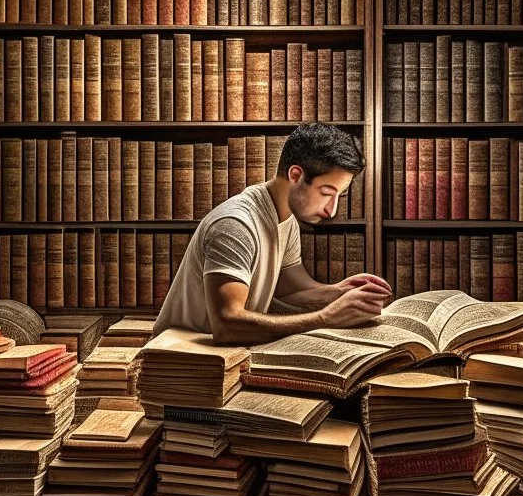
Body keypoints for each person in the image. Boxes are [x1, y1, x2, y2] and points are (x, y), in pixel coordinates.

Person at [152, 123, 391, 343]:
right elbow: (226, 324)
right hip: (181, 364)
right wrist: (326, 318)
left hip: (227, 359)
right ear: (295, 175)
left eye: (340, 195)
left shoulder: (285, 220)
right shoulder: (236, 224)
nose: (332, 209)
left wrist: (339, 292)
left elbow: (290, 292)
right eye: (326, 193)